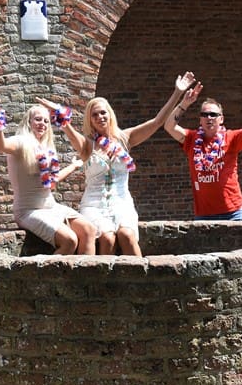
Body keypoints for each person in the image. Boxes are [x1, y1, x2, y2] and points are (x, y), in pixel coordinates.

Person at [36, 71, 196, 256]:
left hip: (121, 202)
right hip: (94, 205)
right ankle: (104, 275)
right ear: (90, 120)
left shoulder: (125, 138)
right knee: (108, 238)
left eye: (103, 112)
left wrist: (177, 93)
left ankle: (141, 273)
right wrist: (59, 114)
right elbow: (71, 134)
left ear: (110, 114)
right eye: (95, 115)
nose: (100, 117)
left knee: (126, 235)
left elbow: (157, 122)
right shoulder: (87, 145)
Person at [0, 91, 97, 255]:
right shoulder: (21, 142)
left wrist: (73, 166)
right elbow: (1, 144)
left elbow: (52, 181)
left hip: (51, 206)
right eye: (38, 119)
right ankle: (44, 272)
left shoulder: (47, 148)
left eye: (46, 121)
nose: (42, 123)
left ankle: (86, 271)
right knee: (69, 240)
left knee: (89, 230)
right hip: (28, 210)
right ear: (29, 122)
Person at [163, 81, 242, 220]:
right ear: (200, 120)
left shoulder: (232, 138)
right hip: (203, 214)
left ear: (221, 119)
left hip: (233, 212)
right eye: (204, 114)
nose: (209, 118)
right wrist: (185, 103)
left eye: (213, 114)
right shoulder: (191, 139)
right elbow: (169, 126)